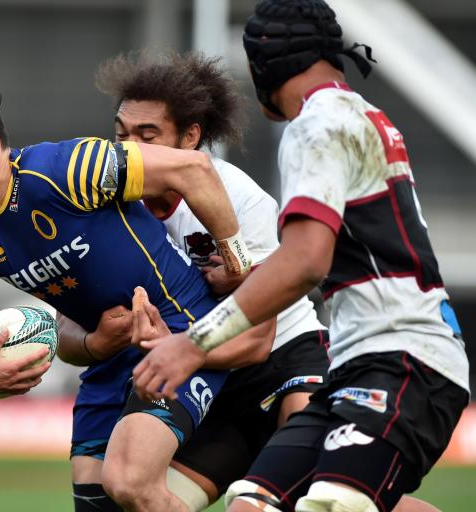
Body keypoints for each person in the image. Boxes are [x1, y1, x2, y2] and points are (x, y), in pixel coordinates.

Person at [132, 1, 470, 512]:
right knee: (252, 503)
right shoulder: (357, 112)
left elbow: (305, 260)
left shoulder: (317, 124)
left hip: (404, 357)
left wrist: (192, 346)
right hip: (358, 363)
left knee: (332, 505)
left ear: (262, 65)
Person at [0, 83, 252, 509]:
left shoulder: (67, 167)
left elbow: (195, 169)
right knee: (94, 499)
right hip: (108, 361)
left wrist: (237, 258)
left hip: (179, 330)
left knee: (128, 481)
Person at [57, 51, 328, 511]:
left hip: (285, 359)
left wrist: (179, 344)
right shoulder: (102, 208)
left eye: (148, 136)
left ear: (190, 138)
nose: (129, 150)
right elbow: (67, 337)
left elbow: (258, 342)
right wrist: (97, 341)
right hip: (210, 383)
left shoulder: (238, 198)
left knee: (319, 500)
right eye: (121, 135)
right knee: (140, 498)